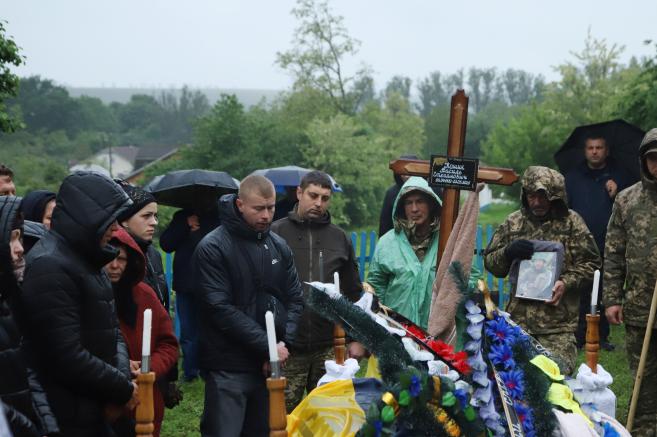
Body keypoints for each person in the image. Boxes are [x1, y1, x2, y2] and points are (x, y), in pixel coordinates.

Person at [19, 171, 139, 437]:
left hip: (100, 408)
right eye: (110, 219)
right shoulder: (50, 265)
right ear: (88, 216)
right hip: (72, 416)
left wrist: (120, 385)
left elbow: (113, 331)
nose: (116, 229)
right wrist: (121, 389)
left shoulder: (90, 260)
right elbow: (65, 354)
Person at [193, 174, 304, 436]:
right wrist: (267, 346)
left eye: (271, 208)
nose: (266, 215)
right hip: (228, 364)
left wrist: (281, 345)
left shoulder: (278, 246)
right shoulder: (213, 248)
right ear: (240, 204)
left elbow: (295, 298)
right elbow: (219, 308)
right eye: (258, 208)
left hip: (269, 365)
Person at [484, 166, 600, 375]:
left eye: (542, 196)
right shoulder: (514, 222)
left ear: (555, 196)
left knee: (553, 378)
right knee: (512, 379)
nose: (536, 202)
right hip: (519, 322)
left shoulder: (571, 223)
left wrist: (565, 282)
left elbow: (592, 264)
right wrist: (508, 252)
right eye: (531, 196)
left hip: (557, 327)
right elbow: (492, 264)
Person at [271, 170, 362, 412]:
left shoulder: (339, 238)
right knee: (283, 417)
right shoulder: (276, 233)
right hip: (288, 347)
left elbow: (353, 292)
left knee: (327, 416)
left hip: (329, 346)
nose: (319, 203)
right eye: (313, 196)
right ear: (299, 193)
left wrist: (356, 338)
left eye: (325, 198)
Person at [604, 128, 657, 436]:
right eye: (653, 158)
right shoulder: (627, 200)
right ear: (644, 161)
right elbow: (613, 253)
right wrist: (612, 299)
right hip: (639, 307)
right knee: (643, 379)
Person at [105, 227, 179, 437]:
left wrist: (149, 367)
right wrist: (119, 364)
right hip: (104, 401)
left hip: (144, 400)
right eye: (109, 258)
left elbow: (168, 344)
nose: (115, 265)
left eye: (122, 259)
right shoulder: (85, 295)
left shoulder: (145, 295)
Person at [565, 135, 632, 351]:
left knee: (604, 290)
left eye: (599, 147)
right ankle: (578, 335)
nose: (594, 151)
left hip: (608, 244)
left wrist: (617, 192)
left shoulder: (620, 176)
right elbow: (565, 210)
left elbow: (630, 210)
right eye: (590, 148)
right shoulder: (572, 178)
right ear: (585, 151)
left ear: (607, 150)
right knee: (580, 291)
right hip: (579, 245)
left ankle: (601, 336)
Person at [0, 195, 59, 437]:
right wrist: (29, 429)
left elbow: (26, 374)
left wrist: (47, 427)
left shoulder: (7, 304)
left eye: (19, 237)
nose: (20, 248)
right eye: (10, 238)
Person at [367, 176, 442, 329]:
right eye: (409, 203)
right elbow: (376, 288)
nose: (414, 209)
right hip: (397, 330)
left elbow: (466, 279)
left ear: (431, 204)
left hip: (437, 331)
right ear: (401, 207)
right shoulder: (387, 243)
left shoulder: (446, 240)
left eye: (420, 201)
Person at [160, 204, 220, 382]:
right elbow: (166, 244)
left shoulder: (217, 217)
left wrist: (197, 232)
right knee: (188, 331)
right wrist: (185, 225)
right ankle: (190, 371)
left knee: (210, 329)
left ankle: (209, 370)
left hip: (210, 284)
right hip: (185, 284)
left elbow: (217, 246)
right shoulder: (181, 216)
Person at [116, 181, 169, 311]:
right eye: (146, 216)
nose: (154, 222)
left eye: (155, 216)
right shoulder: (114, 254)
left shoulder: (153, 253)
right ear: (125, 219)